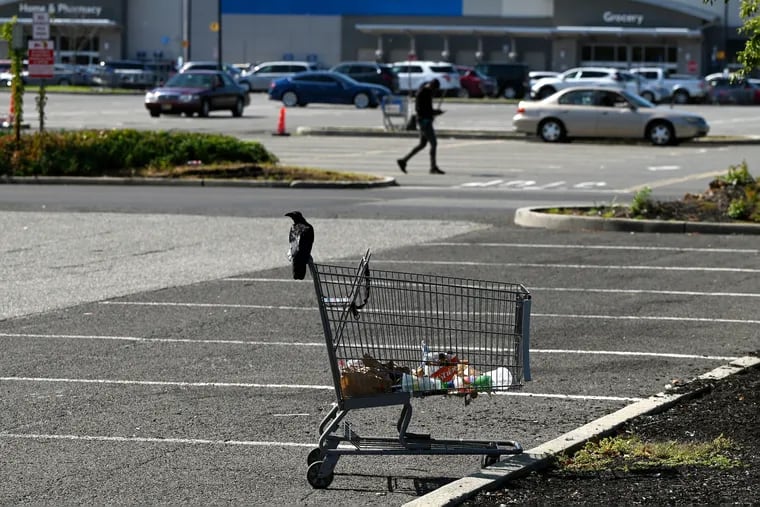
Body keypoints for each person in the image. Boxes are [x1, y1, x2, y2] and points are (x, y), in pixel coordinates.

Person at [397, 79, 445, 175]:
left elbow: (427, 109)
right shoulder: (423, 94)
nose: (434, 92)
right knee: (434, 143)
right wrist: (434, 112)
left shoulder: (426, 92)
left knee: (422, 145)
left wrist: (434, 112)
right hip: (424, 122)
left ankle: (403, 160)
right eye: (434, 89)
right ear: (432, 86)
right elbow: (421, 110)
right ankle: (433, 167)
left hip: (425, 120)